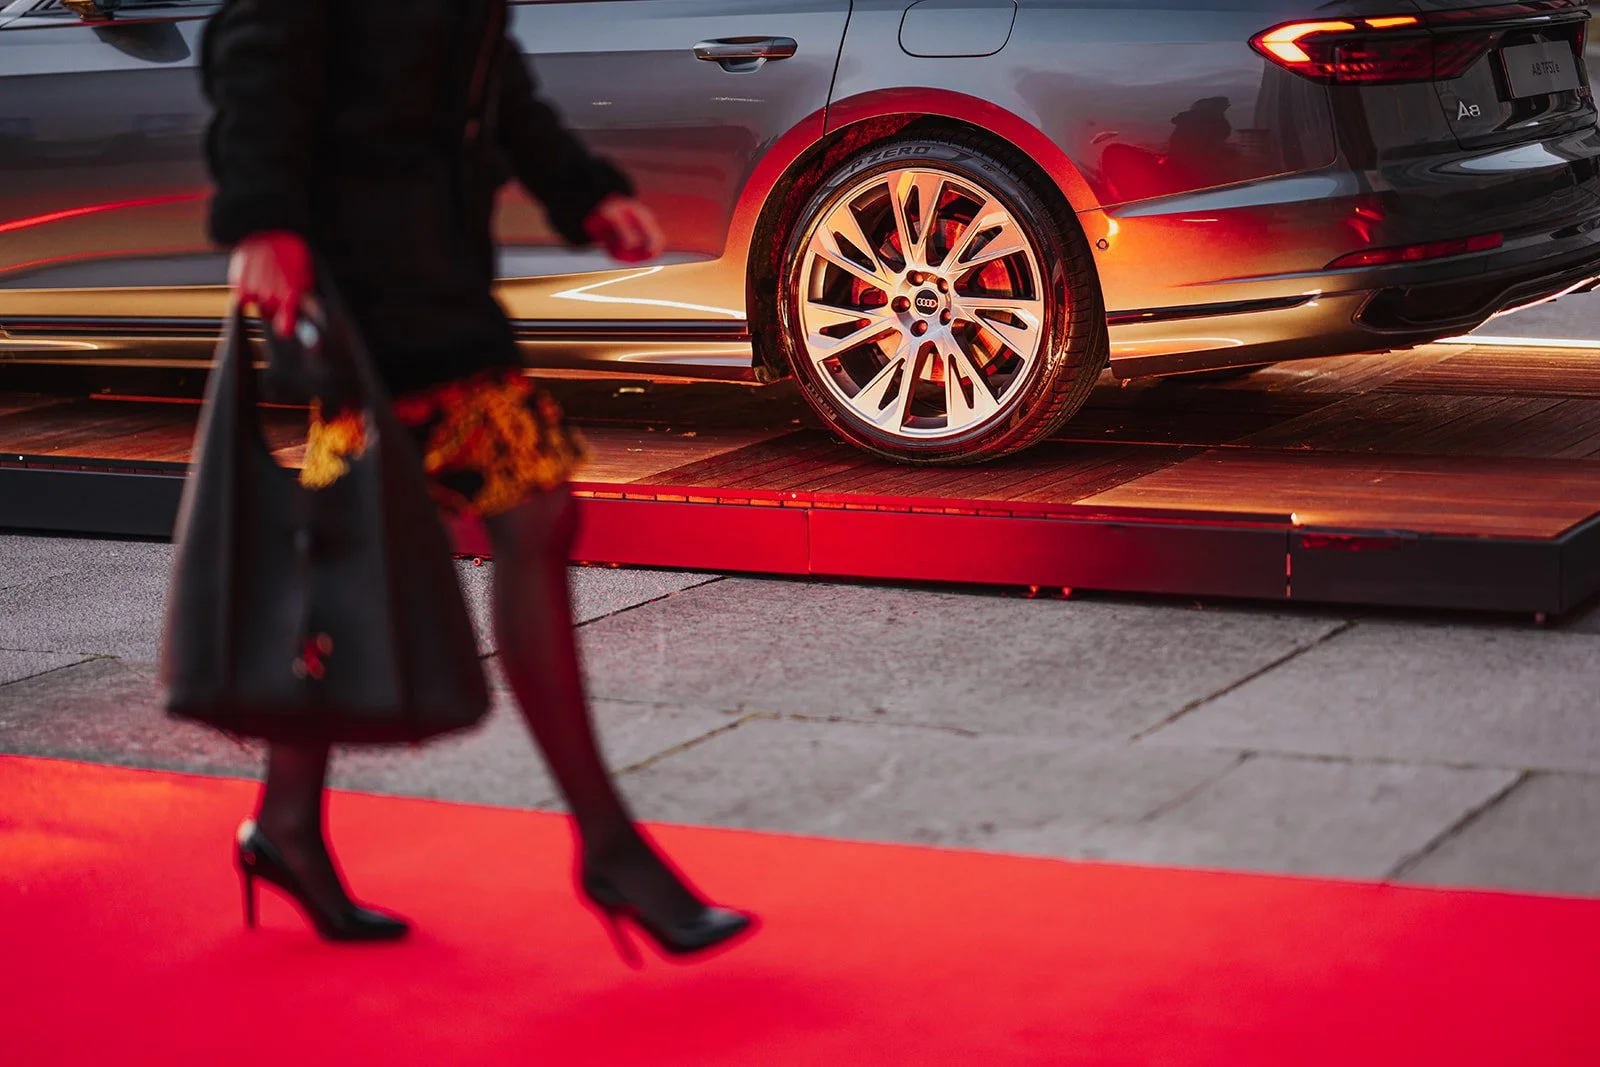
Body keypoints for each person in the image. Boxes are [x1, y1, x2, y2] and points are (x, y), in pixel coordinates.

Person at [202, 0, 754, 958]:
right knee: (512, 520)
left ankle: (288, 822)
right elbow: (254, 47)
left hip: (434, 279)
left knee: (363, 556)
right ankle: (608, 846)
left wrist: (583, 193)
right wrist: (262, 217)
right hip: (364, 287)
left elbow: (491, 86)